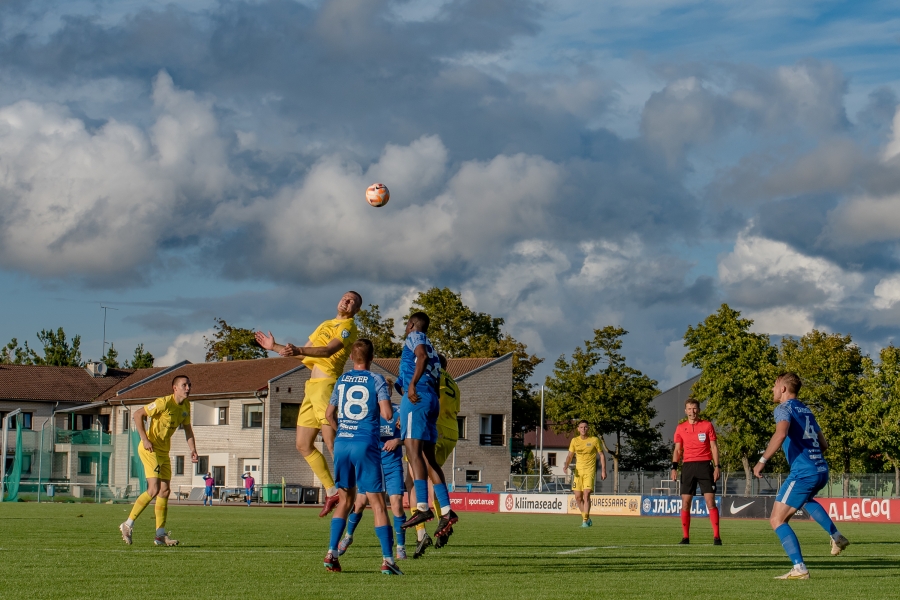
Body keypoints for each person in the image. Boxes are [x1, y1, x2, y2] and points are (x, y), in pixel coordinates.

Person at [256, 291, 362, 517]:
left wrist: (300, 349)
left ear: (356, 310)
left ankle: (351, 492)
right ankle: (332, 490)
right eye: (344, 297)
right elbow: (304, 356)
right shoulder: (325, 323)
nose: (346, 300)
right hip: (311, 387)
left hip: (326, 387)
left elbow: (328, 350)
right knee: (303, 444)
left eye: (352, 300)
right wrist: (275, 347)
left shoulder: (349, 327)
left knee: (332, 443)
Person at [753, 373, 850, 580]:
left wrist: (762, 460)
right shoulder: (806, 410)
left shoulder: (783, 409)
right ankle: (835, 536)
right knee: (806, 500)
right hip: (820, 469)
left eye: (774, 385)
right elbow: (823, 444)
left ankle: (799, 568)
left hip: (804, 472)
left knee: (776, 520)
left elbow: (780, 434)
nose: (772, 389)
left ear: (784, 389)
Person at [322, 339, 403, 575]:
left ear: (350, 358)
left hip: (342, 444)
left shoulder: (341, 380)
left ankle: (331, 553)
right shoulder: (376, 379)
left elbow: (329, 414)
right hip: (365, 444)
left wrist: (343, 432)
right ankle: (388, 560)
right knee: (378, 504)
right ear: (372, 358)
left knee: (345, 501)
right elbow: (387, 414)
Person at [397, 313, 457, 540]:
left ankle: (422, 507)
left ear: (411, 325)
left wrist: (412, 384)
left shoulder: (416, 337)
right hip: (430, 400)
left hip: (418, 399)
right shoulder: (432, 348)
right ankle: (446, 511)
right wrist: (405, 384)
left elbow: (420, 357)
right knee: (428, 458)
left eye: (406, 325)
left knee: (413, 454)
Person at [119, 375, 198, 546]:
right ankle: (127, 524)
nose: (188, 388)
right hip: (150, 449)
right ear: (174, 388)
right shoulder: (163, 402)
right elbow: (138, 414)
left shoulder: (186, 406)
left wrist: (193, 449)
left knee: (165, 491)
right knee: (154, 488)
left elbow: (188, 430)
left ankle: (160, 535)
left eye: (189, 385)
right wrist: (144, 439)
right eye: (184, 385)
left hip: (163, 452)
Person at [337, 379, 408, 561]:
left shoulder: (399, 411)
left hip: (392, 464)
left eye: (388, 389)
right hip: (372, 463)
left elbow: (411, 436)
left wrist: (398, 441)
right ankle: (348, 536)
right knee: (360, 503)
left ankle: (401, 546)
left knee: (397, 505)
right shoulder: (366, 412)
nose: (385, 392)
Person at [671, 399, 721, 545]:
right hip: (688, 467)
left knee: (710, 501)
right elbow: (677, 450)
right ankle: (685, 537)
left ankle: (717, 537)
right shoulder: (681, 428)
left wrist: (717, 466)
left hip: (705, 466)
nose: (692, 411)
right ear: (685, 411)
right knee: (685, 503)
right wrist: (674, 468)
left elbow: (714, 447)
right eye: (689, 409)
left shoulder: (707, 425)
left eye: (695, 408)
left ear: (698, 410)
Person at [563, 420, 607, 528]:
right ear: (578, 429)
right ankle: (587, 517)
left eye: (585, 427)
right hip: (578, 472)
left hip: (589, 471)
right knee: (578, 497)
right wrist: (566, 465)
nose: (583, 429)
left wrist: (603, 470)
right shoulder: (574, 441)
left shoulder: (594, 440)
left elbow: (601, 455)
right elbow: (570, 455)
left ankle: (585, 521)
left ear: (588, 428)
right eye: (581, 427)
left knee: (586, 494)